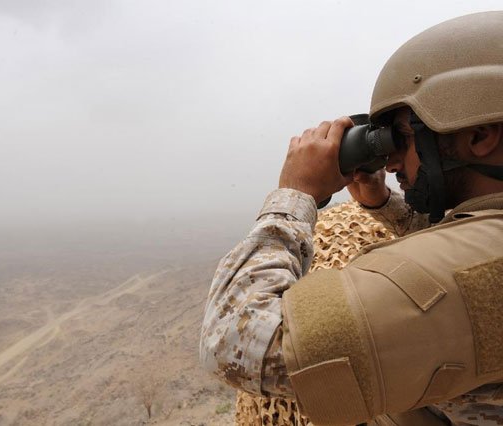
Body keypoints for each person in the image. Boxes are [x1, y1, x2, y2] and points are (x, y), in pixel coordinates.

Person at [199, 11, 503, 426]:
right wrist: (382, 202)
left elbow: (233, 339)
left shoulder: (472, 277)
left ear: (480, 136)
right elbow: (464, 237)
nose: (391, 158)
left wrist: (296, 194)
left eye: (403, 135)